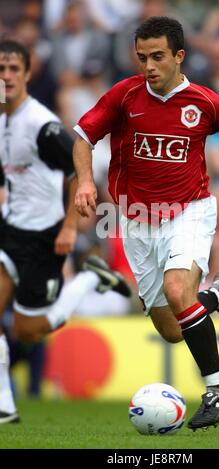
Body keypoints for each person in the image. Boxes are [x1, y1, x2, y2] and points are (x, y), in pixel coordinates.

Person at [73, 16, 219, 431]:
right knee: (171, 329)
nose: (148, 66)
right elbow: (82, 136)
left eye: (157, 57)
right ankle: (218, 296)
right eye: (142, 57)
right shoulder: (124, 95)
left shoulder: (204, 102)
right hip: (135, 221)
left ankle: (217, 391)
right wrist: (83, 181)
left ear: (179, 56)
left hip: (190, 211)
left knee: (176, 289)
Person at [0, 40, 131, 424]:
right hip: (10, 231)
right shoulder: (3, 121)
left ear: (27, 73)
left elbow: (78, 170)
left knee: (29, 330)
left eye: (12, 69)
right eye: (0, 69)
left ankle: (90, 279)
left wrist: (70, 226)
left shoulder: (40, 125)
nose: (5, 76)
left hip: (45, 236)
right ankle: (5, 405)